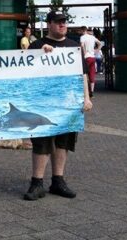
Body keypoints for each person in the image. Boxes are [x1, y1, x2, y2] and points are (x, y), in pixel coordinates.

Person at [24, 11, 92, 201]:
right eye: (58, 22)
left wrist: (86, 98)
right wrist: (39, 54)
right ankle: (36, 182)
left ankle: (58, 180)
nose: (62, 25)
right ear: (49, 24)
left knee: (64, 142)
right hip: (43, 104)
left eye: (64, 22)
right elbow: (24, 73)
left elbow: (82, 75)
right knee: (42, 142)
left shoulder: (73, 46)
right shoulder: (36, 46)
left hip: (68, 104)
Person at [79, 27, 101, 98]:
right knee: (92, 75)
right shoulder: (92, 37)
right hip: (93, 57)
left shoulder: (82, 37)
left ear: (83, 30)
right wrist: (97, 50)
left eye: (80, 31)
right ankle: (91, 93)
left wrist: (84, 53)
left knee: (84, 74)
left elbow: (82, 46)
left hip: (86, 57)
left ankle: (85, 93)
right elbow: (100, 43)